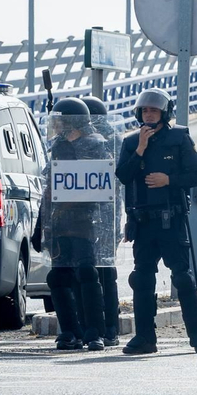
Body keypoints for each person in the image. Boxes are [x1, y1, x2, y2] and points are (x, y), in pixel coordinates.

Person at [116, 87, 197, 355]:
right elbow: (123, 176)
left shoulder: (178, 138)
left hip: (171, 220)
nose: (149, 115)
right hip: (143, 222)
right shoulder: (131, 142)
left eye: (154, 110)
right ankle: (145, 338)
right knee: (142, 279)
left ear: (164, 113)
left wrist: (169, 180)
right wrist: (140, 150)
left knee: (182, 278)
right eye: (145, 110)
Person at [32, 98, 111, 351]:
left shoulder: (96, 146)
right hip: (59, 223)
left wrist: (109, 226)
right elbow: (49, 189)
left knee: (87, 274)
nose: (56, 125)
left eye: (60, 120)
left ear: (72, 122)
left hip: (87, 221)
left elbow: (106, 188)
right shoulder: (58, 147)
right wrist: (40, 225)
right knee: (57, 277)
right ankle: (69, 331)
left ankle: (94, 332)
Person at [81, 96, 124, 348]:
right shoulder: (114, 139)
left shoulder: (105, 142)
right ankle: (108, 328)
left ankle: (106, 327)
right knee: (103, 272)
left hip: (100, 215)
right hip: (106, 217)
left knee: (101, 272)